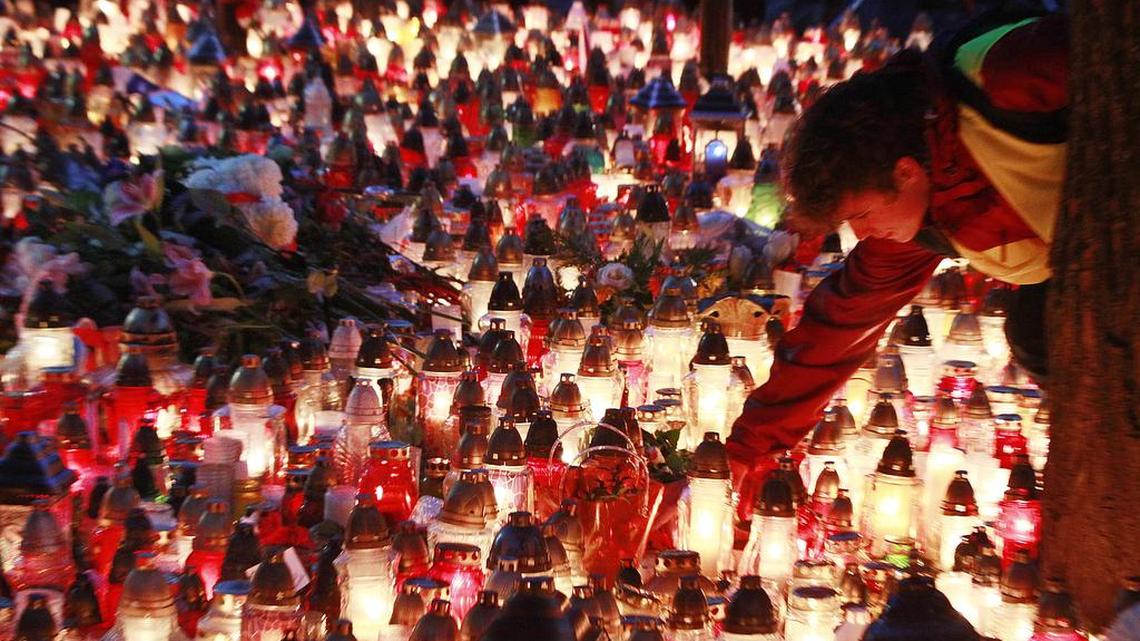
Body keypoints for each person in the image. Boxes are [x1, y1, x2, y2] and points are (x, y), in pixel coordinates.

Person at [726, 13, 1068, 490]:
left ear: (905, 172)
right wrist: (743, 456)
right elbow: (838, 328)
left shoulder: (1013, 74)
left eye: (861, 216)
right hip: (1080, 275)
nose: (862, 235)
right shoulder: (926, 203)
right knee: (1039, 333)